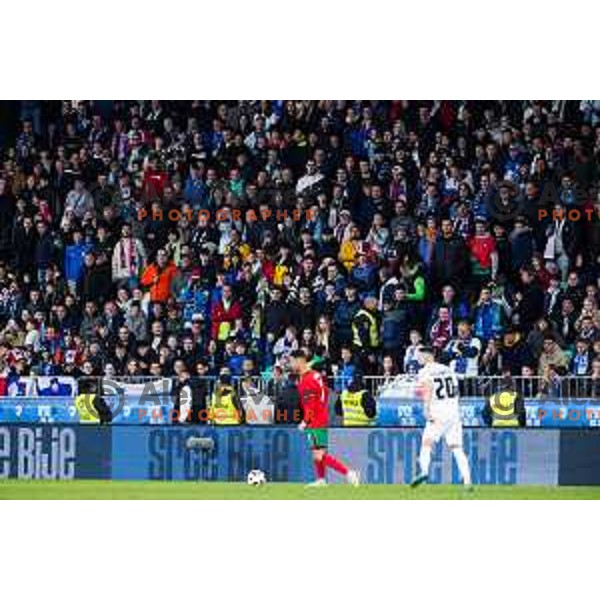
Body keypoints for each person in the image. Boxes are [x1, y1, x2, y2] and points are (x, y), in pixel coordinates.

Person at [290, 350, 359, 487]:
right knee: (317, 453)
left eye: (292, 361)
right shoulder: (316, 376)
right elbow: (326, 393)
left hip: (315, 421)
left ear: (300, 360)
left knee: (320, 454)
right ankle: (321, 479)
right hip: (321, 417)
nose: (291, 364)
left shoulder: (306, 381)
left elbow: (310, 405)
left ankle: (349, 473)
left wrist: (305, 421)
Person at [410, 346, 472, 488]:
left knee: (427, 443)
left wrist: (426, 409)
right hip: (454, 412)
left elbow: (428, 388)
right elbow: (456, 391)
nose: (418, 359)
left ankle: (424, 472)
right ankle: (468, 481)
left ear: (427, 356)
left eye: (420, 356)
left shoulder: (425, 371)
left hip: (438, 411)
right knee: (456, 447)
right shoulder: (447, 369)